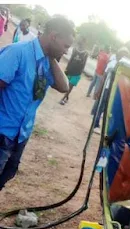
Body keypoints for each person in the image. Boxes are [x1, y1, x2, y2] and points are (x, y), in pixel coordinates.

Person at [0, 17, 74, 191]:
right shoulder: (18, 52)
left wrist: (52, 57)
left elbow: (63, 86)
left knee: (5, 176)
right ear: (54, 36)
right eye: (65, 46)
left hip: (20, 136)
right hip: (3, 132)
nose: (66, 52)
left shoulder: (47, 63)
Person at [91, 47, 130, 131]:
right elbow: (104, 77)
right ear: (119, 55)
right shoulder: (112, 64)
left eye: (126, 56)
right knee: (100, 107)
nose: (124, 57)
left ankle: (101, 126)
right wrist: (99, 90)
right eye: (123, 55)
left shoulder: (124, 68)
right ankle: (95, 125)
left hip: (115, 91)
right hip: (107, 89)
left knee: (108, 109)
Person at [60, 36, 89, 105]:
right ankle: (66, 97)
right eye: (80, 41)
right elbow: (71, 59)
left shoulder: (85, 53)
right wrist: (67, 68)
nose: (80, 42)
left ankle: (63, 99)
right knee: (67, 85)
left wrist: (80, 73)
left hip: (77, 73)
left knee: (70, 86)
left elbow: (83, 64)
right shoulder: (75, 49)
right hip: (70, 70)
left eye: (82, 41)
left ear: (84, 43)